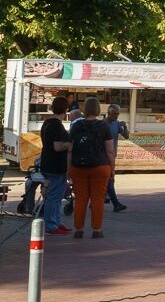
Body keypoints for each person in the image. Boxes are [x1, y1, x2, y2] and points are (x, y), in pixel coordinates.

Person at [68, 96, 115, 238]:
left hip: (78, 167)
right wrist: (112, 168)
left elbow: (70, 149)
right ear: (98, 109)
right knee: (98, 199)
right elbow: (110, 150)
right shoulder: (103, 126)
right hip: (100, 166)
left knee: (81, 199)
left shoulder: (76, 126)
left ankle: (78, 229)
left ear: (84, 109)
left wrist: (68, 168)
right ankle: (97, 229)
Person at [40, 96, 71, 235]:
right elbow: (58, 147)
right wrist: (70, 144)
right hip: (56, 166)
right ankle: (51, 224)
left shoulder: (47, 123)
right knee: (54, 196)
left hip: (47, 163)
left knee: (56, 196)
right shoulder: (57, 126)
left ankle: (56, 222)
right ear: (66, 109)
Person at [103, 104, 129, 212]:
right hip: (103, 155)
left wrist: (125, 127)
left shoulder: (117, 124)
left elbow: (127, 136)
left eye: (118, 113)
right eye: (115, 114)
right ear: (109, 113)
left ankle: (100, 199)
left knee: (107, 179)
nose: (117, 116)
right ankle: (115, 203)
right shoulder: (102, 124)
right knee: (110, 179)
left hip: (112, 155)